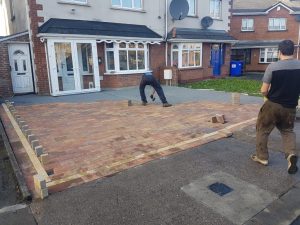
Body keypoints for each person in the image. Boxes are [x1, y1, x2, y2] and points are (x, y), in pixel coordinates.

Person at [251, 40, 300, 174]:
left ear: (280, 52)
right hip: (290, 107)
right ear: (294, 51)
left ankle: (262, 157)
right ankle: (290, 155)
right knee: (287, 131)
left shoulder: (273, 67)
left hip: (272, 105)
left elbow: (263, 90)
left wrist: (266, 95)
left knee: (262, 129)